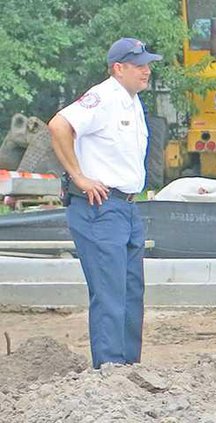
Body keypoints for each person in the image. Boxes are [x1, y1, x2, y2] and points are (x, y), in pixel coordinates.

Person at [48, 38, 162, 369]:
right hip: (99, 208)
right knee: (110, 295)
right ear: (118, 68)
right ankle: (109, 374)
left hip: (126, 207)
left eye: (147, 64)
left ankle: (127, 372)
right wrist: (78, 176)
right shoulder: (104, 98)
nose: (147, 70)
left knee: (130, 294)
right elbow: (59, 126)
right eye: (139, 65)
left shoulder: (132, 102)